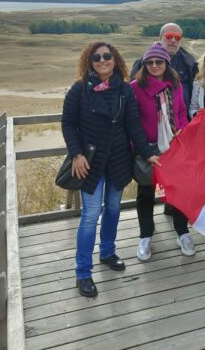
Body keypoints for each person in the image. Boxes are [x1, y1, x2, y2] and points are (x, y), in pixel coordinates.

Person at [61, 41, 155, 298]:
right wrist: (76, 154)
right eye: (97, 57)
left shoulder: (125, 90)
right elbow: (68, 124)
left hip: (118, 160)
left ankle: (107, 251)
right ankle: (83, 273)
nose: (103, 60)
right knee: (91, 214)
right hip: (89, 163)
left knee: (113, 208)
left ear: (116, 60)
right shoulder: (80, 90)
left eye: (107, 56)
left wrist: (148, 153)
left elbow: (134, 124)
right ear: (89, 62)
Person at [130, 41, 195, 260]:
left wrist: (183, 133)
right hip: (147, 148)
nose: (154, 65)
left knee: (179, 191)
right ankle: (145, 235)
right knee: (146, 193)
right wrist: (143, 149)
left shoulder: (175, 85)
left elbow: (182, 112)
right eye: (150, 62)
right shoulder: (135, 87)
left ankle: (182, 232)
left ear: (167, 63)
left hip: (174, 147)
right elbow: (133, 122)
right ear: (144, 64)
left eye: (159, 61)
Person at [130, 22, 198, 120]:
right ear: (160, 38)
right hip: (150, 126)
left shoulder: (189, 63)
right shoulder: (142, 64)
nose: (173, 40)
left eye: (177, 37)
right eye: (169, 36)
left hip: (182, 124)